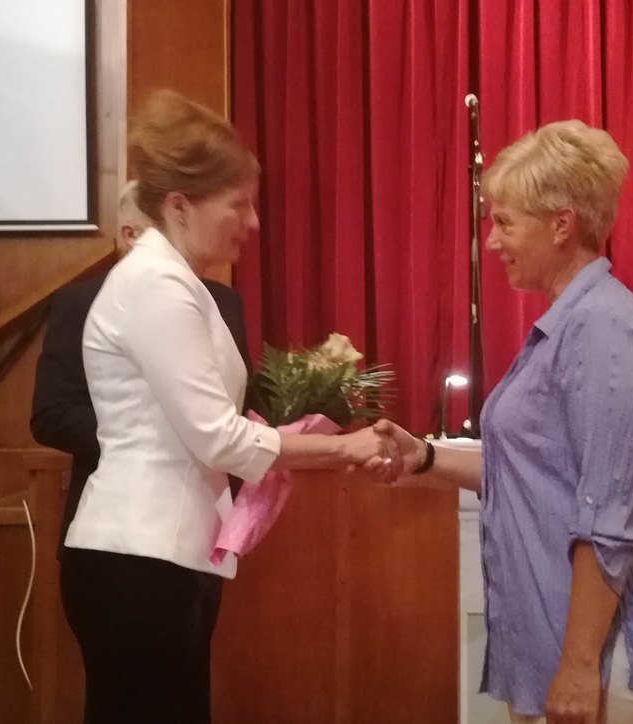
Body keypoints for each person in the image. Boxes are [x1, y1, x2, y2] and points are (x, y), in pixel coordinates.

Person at [58, 90, 399, 724]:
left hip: (164, 553)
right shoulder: (157, 285)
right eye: (238, 204)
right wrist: (341, 445)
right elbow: (218, 439)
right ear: (179, 206)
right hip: (137, 555)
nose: (253, 221)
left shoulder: (179, 283)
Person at [375, 120, 633, 724]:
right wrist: (426, 457)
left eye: (505, 223)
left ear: (561, 225)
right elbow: (538, 475)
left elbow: (609, 515)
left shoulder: (602, 329)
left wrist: (578, 665)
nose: (492, 242)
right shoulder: (569, 323)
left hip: (594, 655)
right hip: (551, 640)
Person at [30, 181, 253, 555]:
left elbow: (234, 403)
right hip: (127, 525)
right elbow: (52, 416)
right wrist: (169, 436)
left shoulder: (223, 301)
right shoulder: (81, 302)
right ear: (130, 235)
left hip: (204, 524)